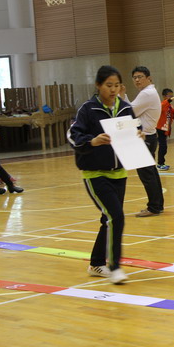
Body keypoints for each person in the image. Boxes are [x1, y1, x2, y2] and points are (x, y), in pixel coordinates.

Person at [67, 65, 132, 284]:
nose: (113, 90)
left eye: (117, 86)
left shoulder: (125, 108)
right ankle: (114, 268)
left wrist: (137, 136)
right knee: (116, 217)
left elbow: (131, 135)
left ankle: (96, 263)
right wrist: (91, 142)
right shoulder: (88, 109)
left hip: (119, 173)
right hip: (94, 174)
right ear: (98, 85)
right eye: (108, 85)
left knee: (108, 219)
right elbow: (73, 135)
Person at [120, 66, 165, 217]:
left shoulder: (147, 93)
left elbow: (129, 112)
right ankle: (157, 205)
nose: (137, 80)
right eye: (135, 77)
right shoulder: (147, 93)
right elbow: (132, 109)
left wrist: (121, 96)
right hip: (148, 137)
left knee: (147, 175)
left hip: (144, 138)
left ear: (149, 78)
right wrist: (123, 94)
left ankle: (154, 207)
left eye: (140, 77)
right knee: (151, 173)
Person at [156, 88, 174, 171]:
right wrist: (170, 100)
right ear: (164, 96)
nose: (171, 97)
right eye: (169, 96)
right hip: (160, 128)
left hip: (166, 128)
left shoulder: (170, 106)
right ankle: (160, 164)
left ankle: (162, 163)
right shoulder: (162, 104)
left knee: (164, 146)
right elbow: (162, 106)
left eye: (171, 96)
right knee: (163, 146)